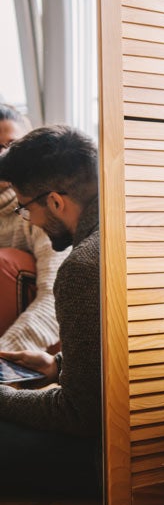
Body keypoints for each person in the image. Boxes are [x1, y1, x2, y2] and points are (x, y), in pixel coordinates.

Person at [0, 124, 101, 495]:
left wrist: (4, 398)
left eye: (26, 208)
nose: (31, 220)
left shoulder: (83, 267)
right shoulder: (130, 234)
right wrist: (55, 367)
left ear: (56, 202)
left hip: (114, 459)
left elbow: (79, 415)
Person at [0, 104, 67, 353]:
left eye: (11, 146)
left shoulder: (42, 207)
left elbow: (55, 297)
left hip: (41, 340)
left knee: (5, 262)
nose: (3, 156)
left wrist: (5, 356)